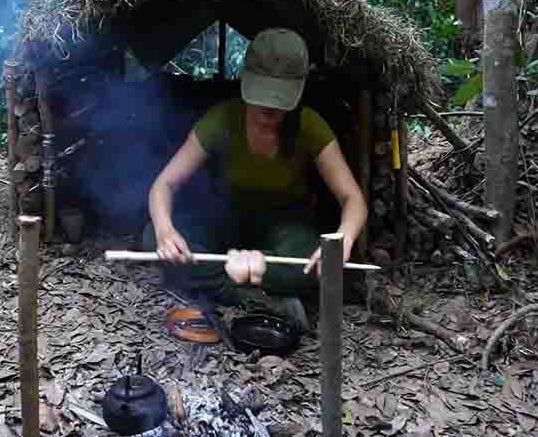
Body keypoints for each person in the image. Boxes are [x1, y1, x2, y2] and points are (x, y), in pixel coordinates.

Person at [141, 28, 368, 331]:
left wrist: (343, 240)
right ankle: (259, 297)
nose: (270, 108)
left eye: (280, 98)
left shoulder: (310, 126)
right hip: (227, 215)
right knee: (151, 237)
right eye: (263, 95)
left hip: (286, 225)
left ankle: (229, 284)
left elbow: (352, 198)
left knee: (314, 264)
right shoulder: (222, 119)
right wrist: (165, 230)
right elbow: (164, 185)